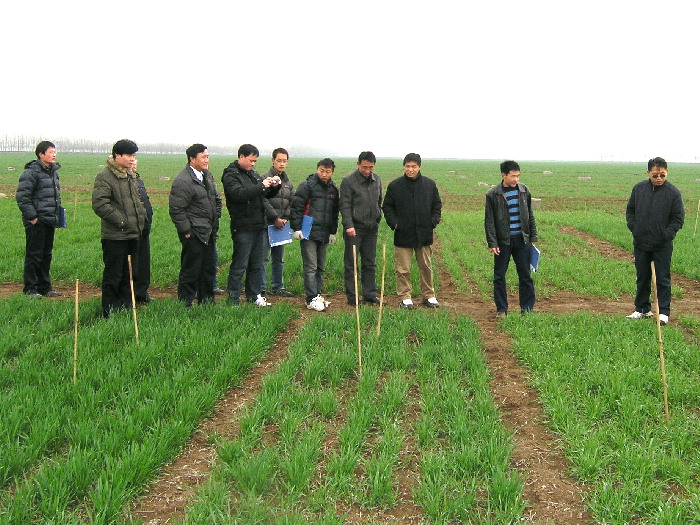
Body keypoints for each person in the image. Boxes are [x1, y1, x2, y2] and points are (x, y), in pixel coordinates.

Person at [625, 157, 685, 325]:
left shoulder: (673, 193)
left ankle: (664, 312)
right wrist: (635, 228)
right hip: (641, 243)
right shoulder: (638, 189)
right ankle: (642, 309)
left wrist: (666, 235)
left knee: (662, 278)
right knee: (642, 276)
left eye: (662, 175)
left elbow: (678, 218)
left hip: (662, 245)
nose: (659, 178)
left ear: (667, 173)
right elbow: (630, 211)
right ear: (648, 173)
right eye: (655, 175)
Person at [92, 139, 147, 317]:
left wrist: (141, 220)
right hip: (115, 236)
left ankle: (125, 307)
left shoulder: (131, 175)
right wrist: (122, 221)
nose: (132, 159)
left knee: (129, 274)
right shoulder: (105, 176)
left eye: (134, 155)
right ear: (117, 155)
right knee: (114, 274)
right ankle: (109, 310)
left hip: (133, 234)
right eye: (129, 155)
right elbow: (100, 204)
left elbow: (137, 201)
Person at [221, 144, 280, 306]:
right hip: (242, 226)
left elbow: (262, 195)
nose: (253, 164)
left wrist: (274, 186)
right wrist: (261, 186)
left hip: (259, 225)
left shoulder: (253, 174)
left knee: (257, 264)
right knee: (240, 264)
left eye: (255, 161)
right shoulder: (231, 175)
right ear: (241, 157)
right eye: (251, 160)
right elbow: (238, 194)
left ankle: (254, 296)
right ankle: (233, 299)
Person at [382, 153, 442, 309]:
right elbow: (387, 206)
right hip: (403, 234)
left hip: (424, 234)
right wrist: (395, 224)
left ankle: (429, 295)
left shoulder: (429, 184)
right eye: (407, 166)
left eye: (414, 166)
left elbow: (437, 205)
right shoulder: (395, 186)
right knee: (403, 268)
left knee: (426, 267)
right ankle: (405, 297)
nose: (410, 169)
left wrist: (433, 221)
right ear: (404, 167)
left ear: (419, 167)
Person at [169, 144, 222, 307]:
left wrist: (215, 217)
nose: (207, 160)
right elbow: (176, 209)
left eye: (207, 156)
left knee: (208, 269)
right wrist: (186, 230)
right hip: (194, 233)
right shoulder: (183, 180)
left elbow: (216, 200)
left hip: (208, 231)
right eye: (203, 157)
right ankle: (185, 303)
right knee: (191, 270)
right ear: (192, 159)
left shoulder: (207, 175)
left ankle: (206, 302)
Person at [484, 160, 538, 316]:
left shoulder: (524, 191)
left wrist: (533, 236)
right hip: (503, 242)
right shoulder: (493, 194)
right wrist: (493, 242)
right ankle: (502, 309)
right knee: (499, 276)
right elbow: (489, 221)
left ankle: (527, 309)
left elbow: (530, 214)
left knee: (525, 275)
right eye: (513, 176)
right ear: (503, 175)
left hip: (522, 240)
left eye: (518, 176)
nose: (516, 179)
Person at [290, 158, 339, 311]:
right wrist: (296, 228)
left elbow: (334, 213)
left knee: (321, 267)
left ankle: (317, 295)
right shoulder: (307, 186)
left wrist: (332, 232)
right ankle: (311, 298)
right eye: (322, 171)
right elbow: (297, 207)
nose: (324, 174)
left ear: (332, 172)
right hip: (308, 232)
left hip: (324, 233)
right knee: (311, 266)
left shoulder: (333, 189)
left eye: (328, 172)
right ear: (317, 169)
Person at [15, 140, 63, 298]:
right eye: (50, 152)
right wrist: (33, 217)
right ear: (41, 154)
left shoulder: (53, 172)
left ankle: (45, 287)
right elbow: (22, 197)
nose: (54, 154)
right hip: (37, 221)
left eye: (54, 151)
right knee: (34, 254)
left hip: (50, 219)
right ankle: (30, 288)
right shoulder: (31, 172)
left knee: (46, 254)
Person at [339, 151, 383, 305]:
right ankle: (353, 297)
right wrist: (349, 225)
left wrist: (378, 217)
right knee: (351, 264)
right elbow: (345, 206)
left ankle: (370, 295)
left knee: (370, 263)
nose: (367, 170)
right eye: (364, 167)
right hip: (354, 229)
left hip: (371, 228)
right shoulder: (348, 181)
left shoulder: (377, 180)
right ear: (358, 164)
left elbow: (379, 201)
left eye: (371, 168)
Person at [261, 147, 295, 297]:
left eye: (284, 161)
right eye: (279, 160)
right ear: (272, 160)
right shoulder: (264, 179)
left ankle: (278, 286)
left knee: (279, 258)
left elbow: (292, 202)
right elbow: (262, 200)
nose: (282, 164)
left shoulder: (288, 183)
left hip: (281, 226)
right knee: (263, 258)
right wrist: (274, 218)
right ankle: (261, 289)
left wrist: (285, 218)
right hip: (266, 224)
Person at [132, 158, 153, 304]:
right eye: (131, 160)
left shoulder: (138, 180)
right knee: (133, 263)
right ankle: (132, 294)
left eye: (135, 161)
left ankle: (142, 293)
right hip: (132, 228)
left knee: (143, 263)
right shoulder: (125, 181)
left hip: (144, 228)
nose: (133, 164)